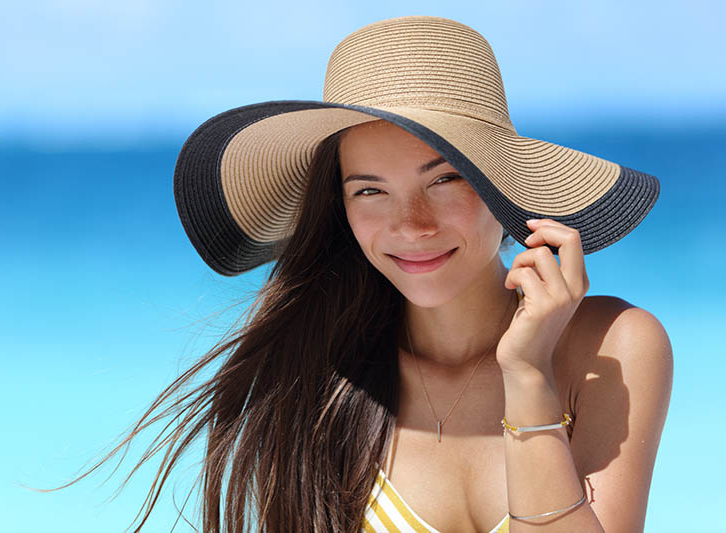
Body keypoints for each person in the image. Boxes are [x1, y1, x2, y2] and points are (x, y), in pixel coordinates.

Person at [65, 15, 673, 532]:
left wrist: (528, 373)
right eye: (370, 191)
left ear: (503, 186)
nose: (411, 224)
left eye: (444, 179)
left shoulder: (613, 347)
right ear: (342, 209)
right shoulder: (322, 382)